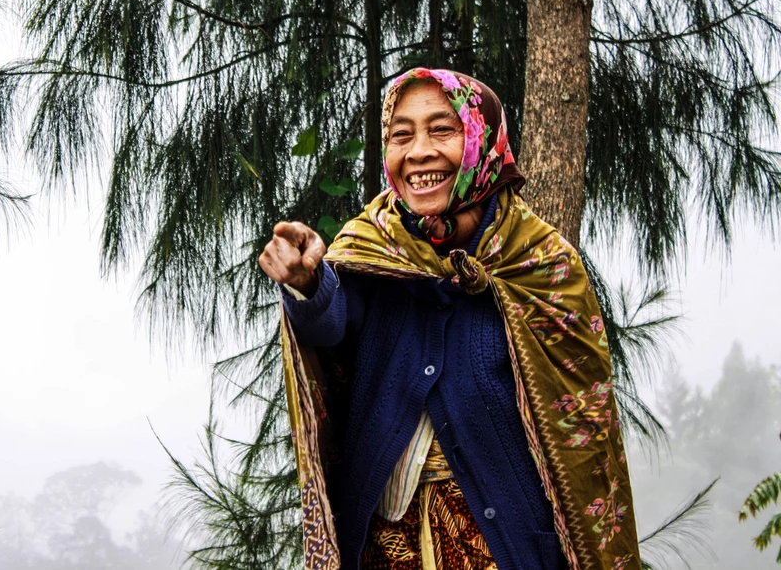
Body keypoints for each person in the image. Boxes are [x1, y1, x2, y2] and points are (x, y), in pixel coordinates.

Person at [259, 68, 640, 570]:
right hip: (385, 548)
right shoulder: (375, 242)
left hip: (508, 549)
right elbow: (332, 328)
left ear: (481, 140)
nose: (418, 151)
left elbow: (583, 441)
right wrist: (308, 284)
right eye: (401, 135)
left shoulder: (542, 264)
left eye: (442, 129)